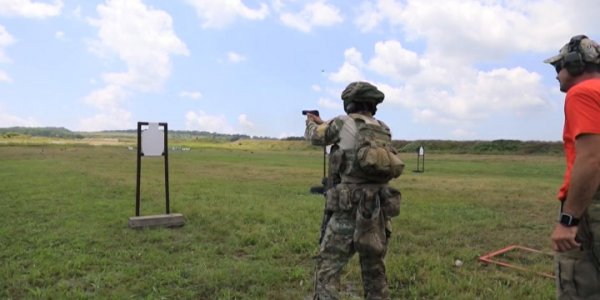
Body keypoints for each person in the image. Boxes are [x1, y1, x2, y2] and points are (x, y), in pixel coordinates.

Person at [305, 81, 404, 300]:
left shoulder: (341, 122)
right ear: (372, 105)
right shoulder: (383, 128)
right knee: (374, 269)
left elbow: (316, 137)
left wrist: (311, 123)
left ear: (349, 104)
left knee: (328, 267)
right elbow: (351, 130)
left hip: (349, 207)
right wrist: (325, 122)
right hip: (377, 210)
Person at [545, 35, 600, 299]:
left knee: (580, 285)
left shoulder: (583, 93)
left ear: (576, 64)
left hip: (592, 207)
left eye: (559, 67)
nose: (556, 75)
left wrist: (569, 220)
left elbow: (591, 160)